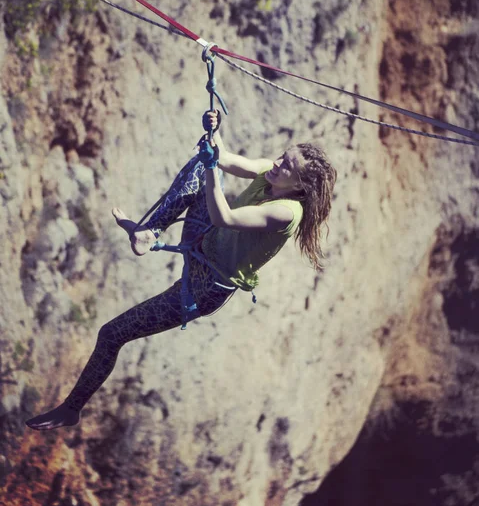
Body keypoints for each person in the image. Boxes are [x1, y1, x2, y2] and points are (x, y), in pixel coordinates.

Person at [25, 110, 337, 430]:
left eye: (288, 166)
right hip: (203, 244)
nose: (278, 164)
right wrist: (214, 130)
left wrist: (213, 164)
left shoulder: (287, 213)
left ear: (300, 186)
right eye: (283, 156)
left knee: (111, 334)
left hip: (204, 289)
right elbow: (226, 158)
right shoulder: (270, 175)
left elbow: (225, 218)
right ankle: (150, 232)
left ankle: (71, 409)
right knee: (201, 165)